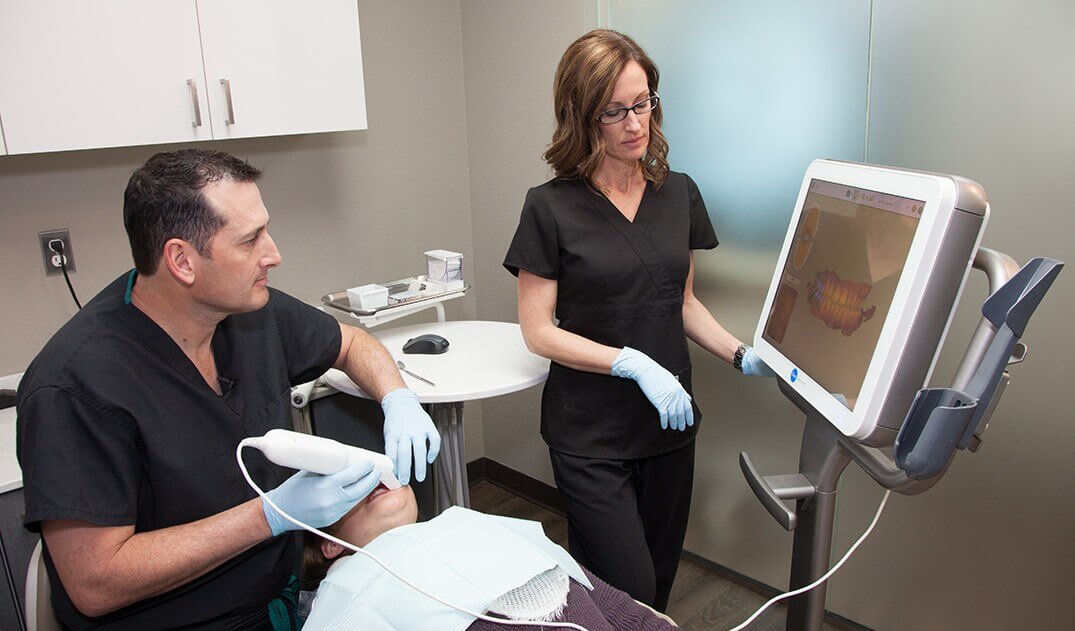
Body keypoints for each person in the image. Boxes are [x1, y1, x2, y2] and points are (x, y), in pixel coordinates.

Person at [15, 149, 441, 630]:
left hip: (279, 599)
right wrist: (270, 515)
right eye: (249, 240)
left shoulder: (250, 315)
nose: (273, 254)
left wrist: (397, 398)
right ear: (182, 260)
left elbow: (352, 343)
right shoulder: (74, 387)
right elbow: (95, 582)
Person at [502, 29, 774, 613]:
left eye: (644, 102)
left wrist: (740, 353)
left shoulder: (679, 194)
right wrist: (629, 362)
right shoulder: (549, 207)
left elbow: (682, 302)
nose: (635, 124)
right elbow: (538, 330)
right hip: (590, 434)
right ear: (582, 117)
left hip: (668, 424)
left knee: (658, 585)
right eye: (615, 111)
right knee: (630, 585)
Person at [300, 484, 677, 630]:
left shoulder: (468, 523)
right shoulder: (345, 588)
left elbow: (610, 603)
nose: (372, 480)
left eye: (374, 473)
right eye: (348, 488)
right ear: (329, 544)